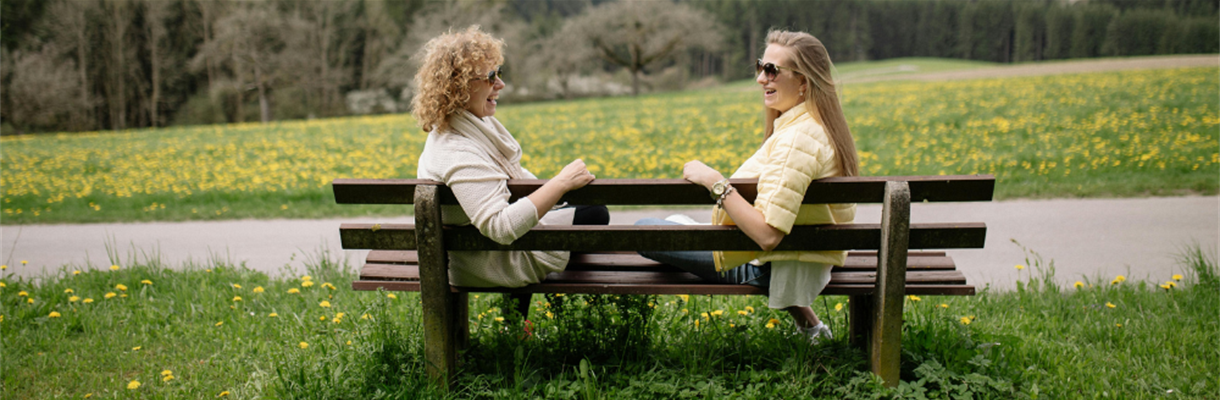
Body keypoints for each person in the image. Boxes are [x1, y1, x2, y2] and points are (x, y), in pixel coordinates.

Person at [637, 30, 859, 343]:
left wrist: (715, 182)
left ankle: (813, 328)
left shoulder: (797, 141)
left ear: (804, 83)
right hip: (802, 257)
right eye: (760, 67)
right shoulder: (811, 125)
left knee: (644, 229)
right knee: (673, 227)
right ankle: (812, 328)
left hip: (770, 266)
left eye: (772, 71)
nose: (761, 79)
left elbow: (768, 235)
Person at [413, 26, 609, 317]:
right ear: (460, 87)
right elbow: (501, 227)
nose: (500, 84)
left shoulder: (463, 129)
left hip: (475, 249)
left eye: (499, 72)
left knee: (587, 208)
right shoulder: (456, 150)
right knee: (594, 214)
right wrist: (560, 183)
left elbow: (506, 187)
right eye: (491, 77)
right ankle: (517, 323)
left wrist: (557, 190)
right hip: (488, 261)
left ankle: (516, 325)